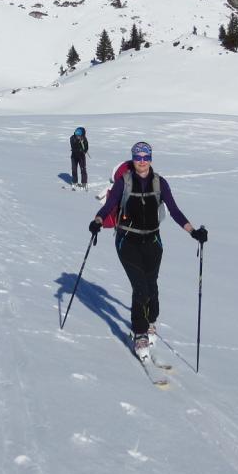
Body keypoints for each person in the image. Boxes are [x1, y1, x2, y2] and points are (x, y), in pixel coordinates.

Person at [88, 141, 207, 359]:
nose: (141, 162)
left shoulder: (160, 183)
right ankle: (140, 331)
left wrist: (193, 231)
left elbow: (174, 211)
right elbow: (109, 206)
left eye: (145, 157)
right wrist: (97, 221)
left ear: (150, 158)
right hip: (127, 241)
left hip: (153, 241)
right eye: (137, 157)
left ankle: (151, 320)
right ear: (133, 159)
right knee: (140, 287)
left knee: (151, 286)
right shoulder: (123, 182)